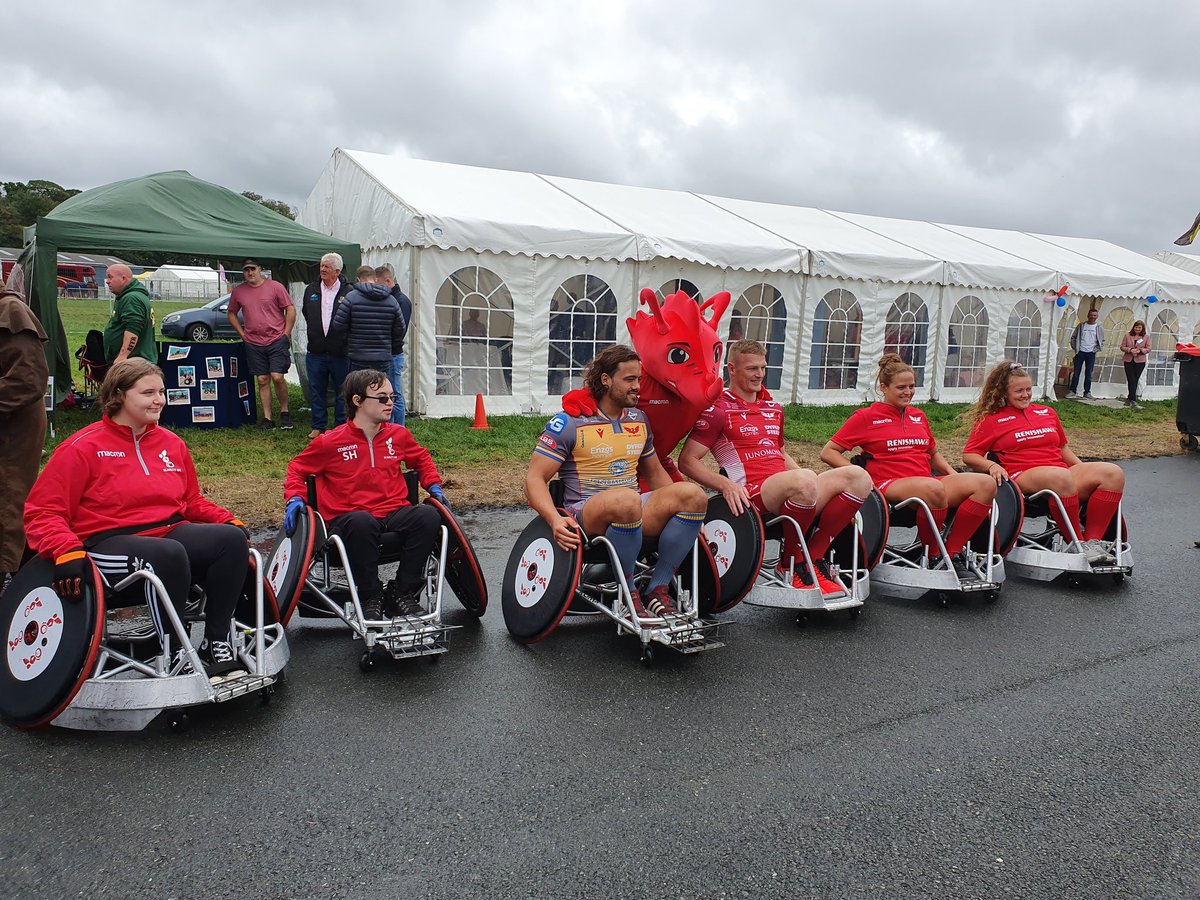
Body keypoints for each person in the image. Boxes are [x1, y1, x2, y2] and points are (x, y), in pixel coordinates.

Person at [23, 359, 251, 675]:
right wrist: (65, 550)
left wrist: (226, 519)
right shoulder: (81, 447)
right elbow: (43, 511)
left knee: (230, 540)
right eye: (148, 393)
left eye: (162, 392)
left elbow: (190, 500)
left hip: (167, 530)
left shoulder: (172, 443)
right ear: (118, 395)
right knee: (168, 553)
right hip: (107, 541)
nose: (159, 400)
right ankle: (174, 652)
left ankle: (216, 642)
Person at [678, 341, 873, 596]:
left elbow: (779, 453)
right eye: (752, 369)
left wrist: (811, 483)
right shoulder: (718, 409)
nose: (759, 374)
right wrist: (725, 484)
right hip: (752, 493)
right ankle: (791, 564)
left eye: (763, 367)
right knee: (804, 480)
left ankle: (812, 558)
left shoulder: (773, 408)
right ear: (732, 369)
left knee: (859, 477)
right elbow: (687, 460)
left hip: (789, 486)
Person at [526, 344, 708, 618]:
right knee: (627, 500)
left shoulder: (639, 419)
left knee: (694, 496)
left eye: (639, 379)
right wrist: (554, 519)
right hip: (585, 513)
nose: (637, 387)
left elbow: (655, 473)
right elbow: (534, 478)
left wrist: (690, 518)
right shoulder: (569, 422)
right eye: (629, 379)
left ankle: (657, 589)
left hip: (632, 508)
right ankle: (628, 593)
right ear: (606, 380)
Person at [283, 368, 445, 620]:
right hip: (349, 521)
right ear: (357, 401)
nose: (390, 403)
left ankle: (401, 593)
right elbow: (297, 469)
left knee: (428, 515)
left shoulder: (398, 435)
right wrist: (295, 498)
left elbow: (421, 458)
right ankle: (370, 596)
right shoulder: (330, 442)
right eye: (382, 398)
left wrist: (433, 484)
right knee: (361, 521)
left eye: (392, 397)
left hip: (392, 513)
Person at [820, 354, 998, 579]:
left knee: (985, 484)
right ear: (884, 388)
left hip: (927, 483)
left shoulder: (918, 416)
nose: (908, 392)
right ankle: (933, 556)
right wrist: (861, 477)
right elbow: (828, 452)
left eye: (912, 386)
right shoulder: (866, 417)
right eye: (901, 387)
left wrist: (954, 475)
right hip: (889, 484)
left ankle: (951, 553)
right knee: (933, 488)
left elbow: (932, 454)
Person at [962, 360, 1125, 564]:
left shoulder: (1046, 412)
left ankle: (1093, 542)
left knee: (1113, 473)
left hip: (1059, 473)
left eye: (1028, 389)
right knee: (1060, 476)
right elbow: (970, 455)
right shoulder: (992, 420)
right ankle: (1077, 542)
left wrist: (1082, 468)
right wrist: (992, 466)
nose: (1025, 395)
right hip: (1021, 476)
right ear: (1004, 393)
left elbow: (1062, 448)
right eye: (1019, 391)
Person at [0, 289, 48, 594]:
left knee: (7, 505)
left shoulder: (10, 310)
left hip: (10, 431)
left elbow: (27, 380)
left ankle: (22, 589)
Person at [227, 258, 296, 430]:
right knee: (262, 379)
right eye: (246, 270)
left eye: (253, 269)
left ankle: (285, 412)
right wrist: (242, 334)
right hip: (253, 342)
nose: (250, 273)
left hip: (276, 339)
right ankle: (267, 418)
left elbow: (290, 308)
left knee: (277, 377)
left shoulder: (275, 287)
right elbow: (231, 313)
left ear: (260, 269)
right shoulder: (239, 291)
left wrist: (286, 333)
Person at [300, 253, 352, 439]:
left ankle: (340, 426)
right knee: (316, 389)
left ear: (337, 271)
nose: (322, 269)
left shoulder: (349, 291)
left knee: (342, 390)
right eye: (321, 265)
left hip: (340, 352)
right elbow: (306, 313)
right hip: (316, 351)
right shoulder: (311, 290)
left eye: (327, 266)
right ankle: (318, 425)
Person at [327, 266, 405, 376]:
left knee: (359, 386)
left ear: (358, 280)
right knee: (379, 386)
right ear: (375, 279)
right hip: (382, 358)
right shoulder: (391, 300)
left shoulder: (351, 298)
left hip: (357, 357)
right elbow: (400, 329)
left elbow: (338, 325)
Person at [375, 264, 411, 426]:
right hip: (385, 352)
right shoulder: (388, 300)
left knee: (395, 393)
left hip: (393, 354)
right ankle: (388, 426)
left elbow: (399, 332)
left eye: (378, 285)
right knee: (387, 391)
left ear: (388, 281)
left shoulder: (402, 301)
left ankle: (398, 428)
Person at [102, 264, 157, 365]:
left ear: (123, 278)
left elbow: (133, 328)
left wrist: (122, 356)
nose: (107, 281)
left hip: (132, 365)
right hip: (133, 362)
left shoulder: (131, 298)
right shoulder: (130, 296)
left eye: (110, 277)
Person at [1066, 308, 1104, 400]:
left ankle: (1087, 392)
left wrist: (1096, 349)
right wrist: (1076, 348)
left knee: (1089, 374)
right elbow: (1073, 337)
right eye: (1091, 315)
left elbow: (1102, 340)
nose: (1092, 317)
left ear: (1097, 316)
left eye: (1094, 315)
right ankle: (1073, 391)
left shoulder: (1099, 327)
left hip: (1091, 353)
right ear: (1088, 315)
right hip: (1080, 352)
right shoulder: (1081, 325)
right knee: (1076, 372)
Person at [1120, 319, 1150, 408]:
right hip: (1128, 360)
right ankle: (1133, 399)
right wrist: (1130, 350)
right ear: (1133, 327)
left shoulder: (1146, 337)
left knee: (1135, 380)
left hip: (1140, 361)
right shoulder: (1127, 335)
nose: (1137, 329)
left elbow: (1148, 349)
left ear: (1142, 328)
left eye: (1139, 327)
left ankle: (1130, 398)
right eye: (1136, 327)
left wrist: (1140, 351)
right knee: (1131, 379)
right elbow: (1122, 347)